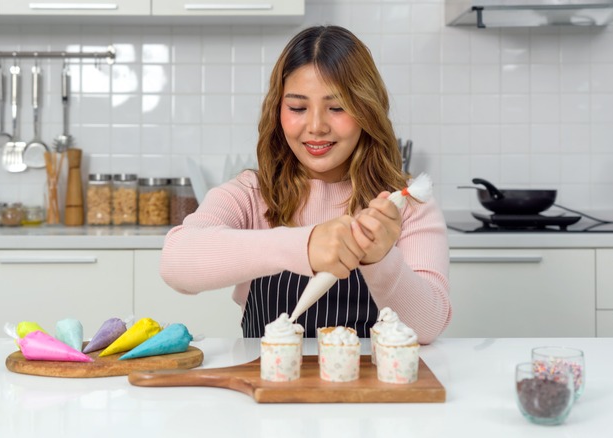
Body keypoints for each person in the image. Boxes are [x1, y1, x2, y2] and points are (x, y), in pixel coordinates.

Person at [160, 25, 451, 344]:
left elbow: (429, 325)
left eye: (337, 108)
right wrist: (305, 245)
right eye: (298, 108)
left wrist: (381, 259)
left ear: (367, 111)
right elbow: (176, 262)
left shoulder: (402, 205)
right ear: (277, 111)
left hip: (370, 390)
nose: (316, 127)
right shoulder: (253, 194)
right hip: (268, 386)